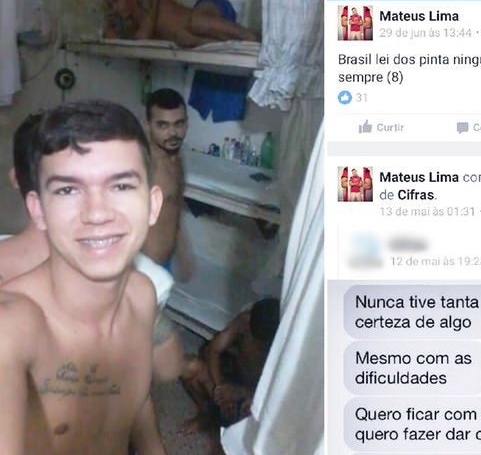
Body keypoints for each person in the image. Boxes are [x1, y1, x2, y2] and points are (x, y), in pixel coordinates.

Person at [0, 100, 166, 454]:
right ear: (38, 211)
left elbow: (134, 402)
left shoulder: (143, 294)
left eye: (121, 186)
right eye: (68, 190)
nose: (97, 213)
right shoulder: (11, 328)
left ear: (153, 205)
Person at [180, 297, 280, 454]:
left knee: (232, 444)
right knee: (187, 366)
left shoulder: (287, 345)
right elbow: (213, 350)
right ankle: (207, 414)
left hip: (255, 396)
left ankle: (228, 438)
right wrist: (221, 387)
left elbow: (280, 394)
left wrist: (244, 393)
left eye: (262, 346)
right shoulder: (245, 321)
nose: (256, 345)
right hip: (233, 377)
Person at [141, 88, 192, 280]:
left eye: (179, 124)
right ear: (148, 126)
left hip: (166, 263)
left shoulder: (176, 158)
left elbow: (174, 207)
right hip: (144, 267)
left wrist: (183, 250)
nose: (173, 133)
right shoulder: (145, 165)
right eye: (163, 125)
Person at [101, 0, 258, 48]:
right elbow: (119, 46)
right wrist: (108, 26)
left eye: (116, 0)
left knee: (194, 22)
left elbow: (141, 41)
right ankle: (239, 42)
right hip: (193, 36)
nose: (114, 8)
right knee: (186, 39)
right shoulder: (133, 24)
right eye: (110, 5)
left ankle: (250, 35)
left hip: (210, 8)